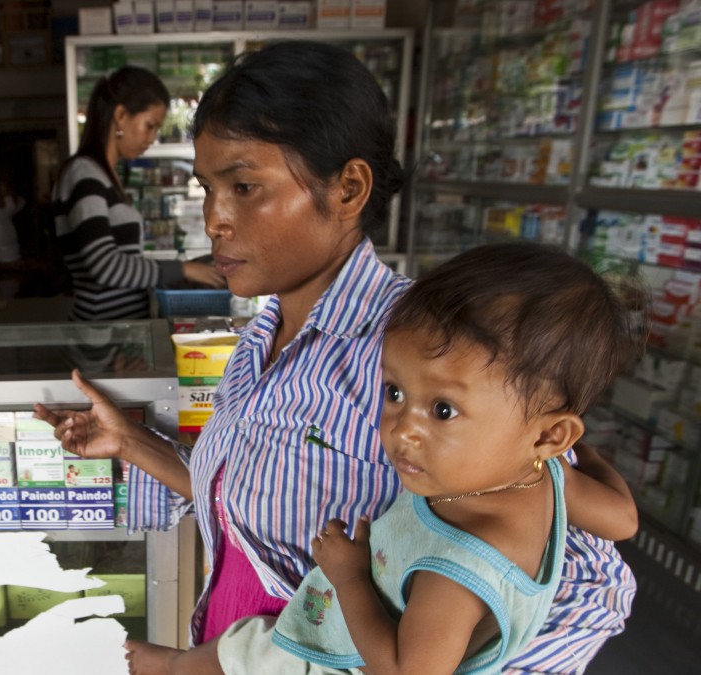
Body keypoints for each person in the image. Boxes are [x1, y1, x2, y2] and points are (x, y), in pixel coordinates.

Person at [34, 40, 635, 673]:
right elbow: (257, 499)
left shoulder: (437, 357)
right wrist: (132, 444)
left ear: (348, 188)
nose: (215, 219)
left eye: (244, 186)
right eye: (207, 188)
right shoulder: (261, 338)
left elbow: (587, 591)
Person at [123, 242, 641, 675]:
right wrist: (582, 454)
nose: (402, 429)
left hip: (350, 661)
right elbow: (623, 518)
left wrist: (348, 576)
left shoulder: (458, 567)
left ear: (551, 433)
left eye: (442, 409)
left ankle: (167, 666)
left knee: (259, 652)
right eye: (394, 393)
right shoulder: (543, 473)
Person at [52, 66, 224, 321]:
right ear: (121, 115)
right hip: (102, 335)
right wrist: (184, 269)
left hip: (120, 335)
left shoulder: (104, 175)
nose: (152, 138)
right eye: (149, 125)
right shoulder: (84, 173)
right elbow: (105, 265)